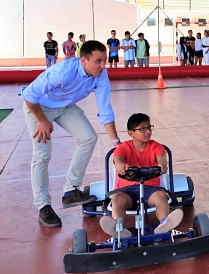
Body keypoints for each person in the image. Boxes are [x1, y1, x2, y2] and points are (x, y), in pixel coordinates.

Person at [22, 40, 121, 227]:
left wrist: (116, 142)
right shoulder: (62, 73)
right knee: (42, 155)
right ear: (83, 60)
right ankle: (43, 207)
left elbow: (105, 109)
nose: (103, 66)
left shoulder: (101, 75)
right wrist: (42, 120)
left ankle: (71, 191)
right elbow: (29, 95)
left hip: (65, 107)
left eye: (104, 61)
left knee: (89, 138)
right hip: (39, 107)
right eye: (98, 61)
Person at [100, 113, 183, 238]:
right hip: (127, 191)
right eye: (143, 129)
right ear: (131, 133)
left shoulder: (155, 146)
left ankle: (165, 223)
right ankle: (119, 228)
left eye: (149, 128)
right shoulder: (124, 148)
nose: (148, 132)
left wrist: (162, 164)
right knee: (116, 198)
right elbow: (118, 158)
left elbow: (161, 156)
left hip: (150, 190)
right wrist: (120, 165)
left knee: (161, 196)